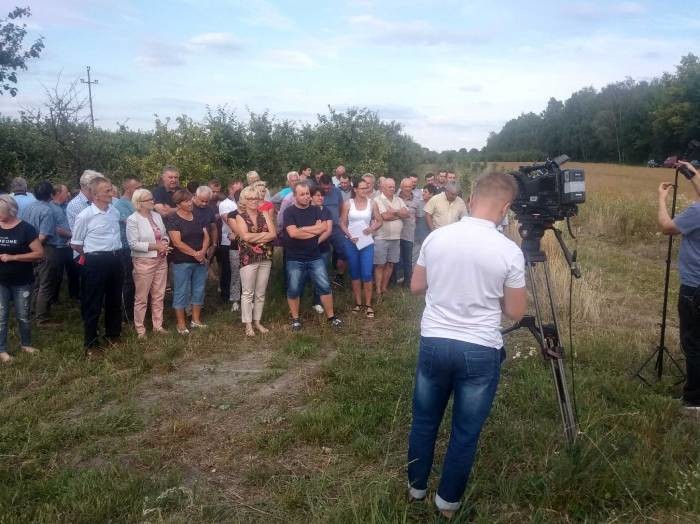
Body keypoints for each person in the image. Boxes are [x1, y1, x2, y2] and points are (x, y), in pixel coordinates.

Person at [407, 171, 527, 518]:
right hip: (478, 348)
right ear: (505, 208)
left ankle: (416, 488)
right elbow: (517, 312)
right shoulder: (509, 251)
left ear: (471, 200)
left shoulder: (437, 239)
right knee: (465, 431)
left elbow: (416, 287)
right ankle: (447, 503)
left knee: (424, 421)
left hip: (435, 341)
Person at [657, 160, 700, 410]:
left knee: (693, 343)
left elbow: (666, 227)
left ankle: (694, 400)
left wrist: (662, 198)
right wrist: (690, 173)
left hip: (695, 288)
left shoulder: (696, 212)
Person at [71, 176, 124, 355]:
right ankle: (91, 343)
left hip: (116, 259)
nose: (112, 193)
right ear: (95, 195)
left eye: (111, 189)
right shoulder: (84, 216)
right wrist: (92, 256)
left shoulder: (114, 212)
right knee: (92, 302)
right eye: (107, 191)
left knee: (114, 299)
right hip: (95, 262)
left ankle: (113, 335)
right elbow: (76, 243)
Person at [283, 182, 342, 331]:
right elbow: (293, 233)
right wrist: (312, 230)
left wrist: (302, 229)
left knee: (324, 286)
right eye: (302, 194)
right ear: (295, 196)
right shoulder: (289, 212)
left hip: (315, 256)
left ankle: (331, 317)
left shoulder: (317, 210)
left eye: (307, 194)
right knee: (294, 289)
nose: (306, 197)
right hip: (294, 257)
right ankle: (295, 319)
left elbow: (322, 228)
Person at [0, 195, 43, 363]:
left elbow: (39, 254)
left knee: (23, 315)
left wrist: (14, 257)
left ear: (11, 211)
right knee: (1, 316)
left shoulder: (26, 229)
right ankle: (1, 350)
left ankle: (26, 344)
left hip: (22, 281)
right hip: (1, 280)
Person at [127, 188, 170, 339]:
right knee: (142, 297)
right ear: (139, 203)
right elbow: (133, 244)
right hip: (143, 262)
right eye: (149, 200)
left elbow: (164, 234)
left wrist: (164, 243)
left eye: (152, 199)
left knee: (159, 295)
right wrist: (155, 246)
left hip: (161, 259)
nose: (152, 201)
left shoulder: (157, 216)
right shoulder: (133, 219)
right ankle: (140, 329)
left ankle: (158, 325)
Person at [166, 190, 210, 335]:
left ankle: (196, 320)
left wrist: (202, 252)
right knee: (181, 292)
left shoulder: (198, 216)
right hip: (182, 261)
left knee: (199, 290)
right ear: (178, 204)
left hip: (200, 260)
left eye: (190, 200)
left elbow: (206, 236)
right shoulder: (173, 219)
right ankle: (181, 323)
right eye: (186, 201)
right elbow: (177, 242)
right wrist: (195, 254)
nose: (190, 203)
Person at [235, 186, 276, 336]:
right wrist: (263, 235)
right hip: (248, 258)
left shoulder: (265, 213)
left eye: (256, 198)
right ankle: (248, 325)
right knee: (247, 292)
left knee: (260, 292)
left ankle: (257, 321)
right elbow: (245, 237)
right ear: (244, 200)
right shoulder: (240, 216)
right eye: (250, 198)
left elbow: (273, 234)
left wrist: (256, 237)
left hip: (265, 256)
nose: (253, 201)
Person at [339, 178, 382, 317]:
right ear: (355, 189)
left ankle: (368, 304)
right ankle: (358, 303)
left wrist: (371, 228)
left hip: (366, 242)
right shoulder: (348, 204)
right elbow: (342, 223)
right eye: (362, 188)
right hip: (351, 242)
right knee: (355, 273)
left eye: (366, 188)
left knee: (367, 273)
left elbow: (379, 220)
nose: (365, 190)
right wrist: (349, 235)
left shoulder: (372, 203)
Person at [20, 181, 57, 324]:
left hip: (28, 248)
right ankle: (41, 317)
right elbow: (43, 235)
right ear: (51, 194)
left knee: (35, 282)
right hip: (44, 249)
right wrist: (36, 248)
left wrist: (28, 248)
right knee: (45, 283)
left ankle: (31, 310)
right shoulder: (47, 210)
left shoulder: (28, 208)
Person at [66, 170, 102, 301]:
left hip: (98, 252)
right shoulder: (76, 205)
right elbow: (89, 232)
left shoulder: (98, 202)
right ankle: (89, 316)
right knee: (89, 288)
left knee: (98, 287)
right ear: (88, 187)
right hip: (85, 253)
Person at [373, 177, 408, 296]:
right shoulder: (377, 200)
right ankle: (378, 290)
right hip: (381, 237)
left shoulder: (398, 200)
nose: (392, 189)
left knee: (391, 264)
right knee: (380, 265)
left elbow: (407, 214)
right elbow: (385, 217)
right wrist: (400, 214)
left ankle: (384, 288)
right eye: (390, 187)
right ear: (383, 188)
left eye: (394, 186)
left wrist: (394, 212)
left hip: (396, 238)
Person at [114, 177, 141, 322]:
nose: (139, 190)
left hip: (140, 247)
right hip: (126, 248)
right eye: (137, 188)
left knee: (139, 279)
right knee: (128, 280)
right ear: (127, 189)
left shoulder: (136, 203)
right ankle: (127, 314)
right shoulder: (120, 204)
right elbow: (131, 222)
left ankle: (139, 310)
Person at [319, 174, 348, 288]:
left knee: (344, 251)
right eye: (324, 188)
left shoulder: (336, 192)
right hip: (322, 229)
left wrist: (338, 219)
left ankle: (339, 276)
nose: (326, 190)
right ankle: (322, 280)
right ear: (319, 185)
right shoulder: (315, 193)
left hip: (336, 228)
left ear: (332, 184)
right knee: (323, 255)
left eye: (328, 187)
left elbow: (341, 207)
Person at [310, 186, 334, 314]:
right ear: (311, 196)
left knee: (322, 275)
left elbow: (328, 230)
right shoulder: (306, 210)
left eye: (322, 195)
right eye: (317, 195)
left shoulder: (326, 211)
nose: (320, 197)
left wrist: (314, 242)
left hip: (322, 248)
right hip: (305, 250)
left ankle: (317, 301)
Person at [48, 184, 74, 304]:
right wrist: (73, 235)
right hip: (57, 246)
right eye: (66, 192)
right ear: (58, 194)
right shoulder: (50, 208)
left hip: (69, 245)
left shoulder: (67, 206)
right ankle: (53, 298)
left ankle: (74, 295)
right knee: (56, 274)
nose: (68, 194)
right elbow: (57, 229)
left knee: (73, 271)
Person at [395, 177, 419, 287]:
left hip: (408, 233)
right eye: (405, 186)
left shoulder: (416, 200)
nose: (408, 188)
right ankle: (394, 281)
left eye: (410, 186)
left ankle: (407, 282)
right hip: (395, 233)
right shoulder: (395, 198)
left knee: (408, 260)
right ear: (401, 187)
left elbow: (417, 217)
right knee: (395, 259)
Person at [217, 181, 239, 304]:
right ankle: (226, 297)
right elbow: (229, 221)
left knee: (237, 271)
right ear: (230, 190)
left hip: (241, 241)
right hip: (228, 242)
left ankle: (237, 296)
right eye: (236, 190)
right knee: (228, 270)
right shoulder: (226, 204)